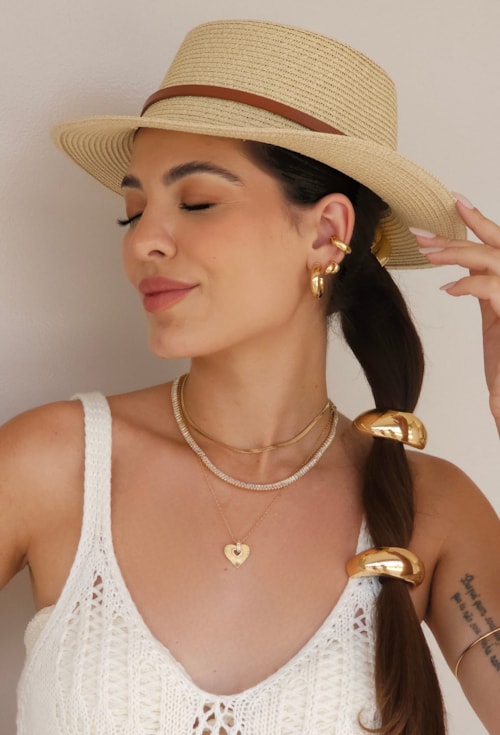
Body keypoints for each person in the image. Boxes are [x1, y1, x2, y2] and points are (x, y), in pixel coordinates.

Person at [1, 18, 499, 735]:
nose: (144, 241)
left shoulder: (435, 510)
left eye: (197, 202)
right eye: (132, 212)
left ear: (326, 232)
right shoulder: (52, 464)